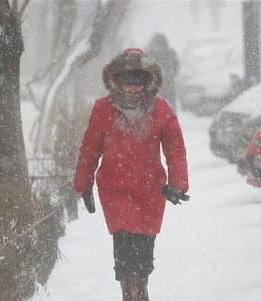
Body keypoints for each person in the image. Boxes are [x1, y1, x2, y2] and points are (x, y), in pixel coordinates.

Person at [73, 48, 189, 301]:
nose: (133, 88)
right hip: (115, 190)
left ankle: (141, 290)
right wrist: (84, 184)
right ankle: (129, 294)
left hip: (150, 191)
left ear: (149, 82)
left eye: (139, 82)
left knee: (144, 249)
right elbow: (90, 148)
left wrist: (177, 185)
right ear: (115, 80)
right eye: (127, 81)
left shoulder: (161, 109)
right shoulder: (103, 109)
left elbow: (175, 150)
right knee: (124, 244)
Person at [145, 33, 180, 112]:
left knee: (154, 107)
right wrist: (170, 76)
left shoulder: (150, 52)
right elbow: (175, 66)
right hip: (168, 83)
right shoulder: (170, 52)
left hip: (154, 84)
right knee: (169, 106)